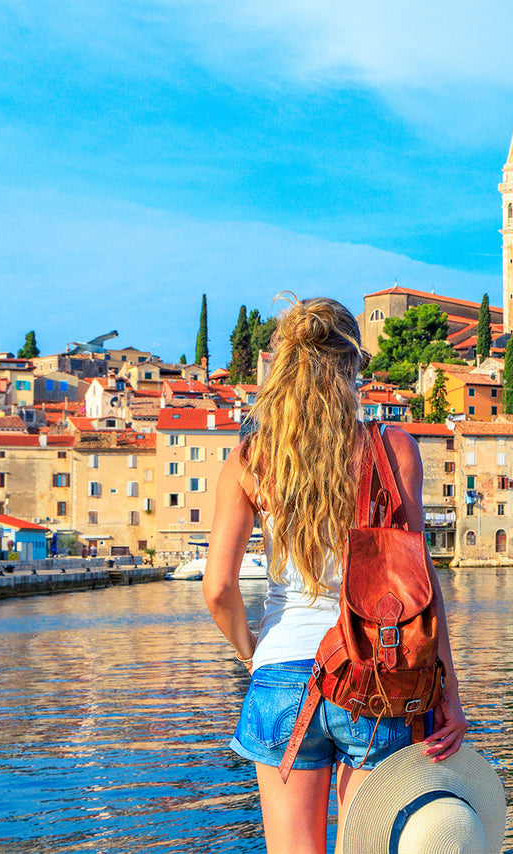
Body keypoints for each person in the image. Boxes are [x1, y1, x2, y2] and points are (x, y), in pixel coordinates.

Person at [203, 296, 468, 854]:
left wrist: (251, 650)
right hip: (374, 670)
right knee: (366, 847)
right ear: (353, 365)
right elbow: (420, 583)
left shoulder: (253, 457)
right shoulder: (392, 447)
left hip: (280, 674)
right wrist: (449, 688)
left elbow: (219, 588)